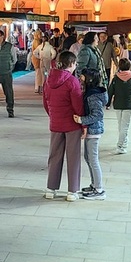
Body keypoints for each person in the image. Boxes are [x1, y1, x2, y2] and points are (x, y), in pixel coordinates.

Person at [42, 51, 84, 201]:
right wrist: (82, 121)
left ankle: (50, 189)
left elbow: (46, 102)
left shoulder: (48, 80)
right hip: (72, 124)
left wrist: (53, 115)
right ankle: (72, 191)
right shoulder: (72, 81)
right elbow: (78, 105)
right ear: (71, 64)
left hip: (55, 123)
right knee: (73, 157)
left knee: (54, 156)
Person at [74, 68, 108, 200]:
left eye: (82, 77)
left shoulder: (93, 96)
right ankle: (94, 185)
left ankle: (99, 189)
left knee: (93, 160)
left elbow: (97, 114)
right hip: (92, 130)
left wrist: (82, 120)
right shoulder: (90, 93)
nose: (80, 79)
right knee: (88, 158)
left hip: (94, 131)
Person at [108, 58, 131, 155]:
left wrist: (107, 103)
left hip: (118, 104)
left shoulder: (116, 78)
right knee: (124, 127)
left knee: (120, 125)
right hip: (128, 104)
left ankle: (124, 142)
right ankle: (120, 146)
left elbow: (110, 91)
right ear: (129, 66)